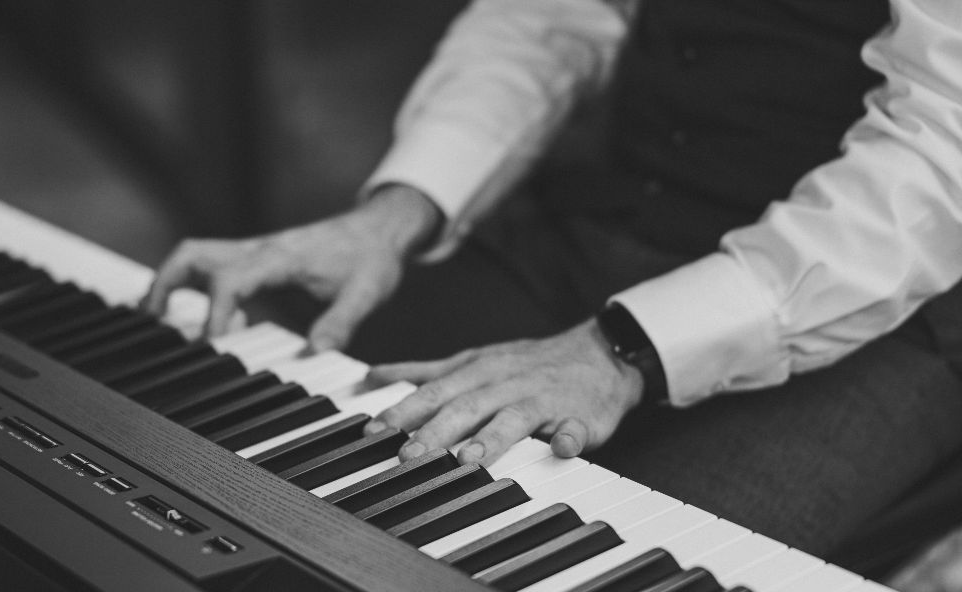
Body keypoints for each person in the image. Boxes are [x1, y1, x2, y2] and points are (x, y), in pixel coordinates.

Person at [144, 0, 962, 561]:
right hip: (617, 216)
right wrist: (398, 212)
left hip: (876, 301)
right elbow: (547, 17)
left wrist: (624, 350)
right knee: (230, 442)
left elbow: (936, 154)